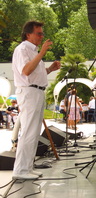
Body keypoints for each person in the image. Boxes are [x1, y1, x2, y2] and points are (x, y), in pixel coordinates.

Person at [12, 20, 61, 180]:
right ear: (28, 34)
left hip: (36, 91)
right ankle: (20, 170)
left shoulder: (33, 52)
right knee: (28, 131)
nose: (42, 36)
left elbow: (35, 74)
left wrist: (49, 69)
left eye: (42, 33)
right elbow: (26, 71)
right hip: (29, 92)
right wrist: (42, 54)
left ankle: (27, 167)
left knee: (33, 132)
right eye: (39, 33)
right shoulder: (22, 50)